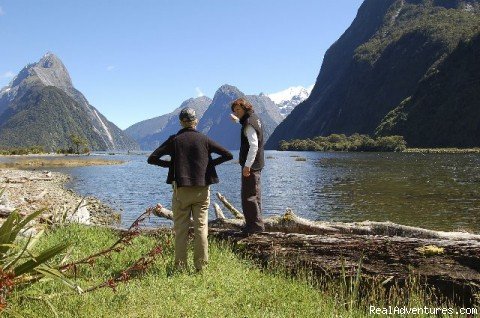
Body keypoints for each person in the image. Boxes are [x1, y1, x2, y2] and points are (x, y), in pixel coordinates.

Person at [148, 107, 233, 271]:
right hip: (202, 190)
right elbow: (228, 155)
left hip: (181, 191)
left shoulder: (174, 140)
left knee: (181, 229)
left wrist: (172, 166)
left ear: (181, 122)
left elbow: (152, 159)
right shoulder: (204, 139)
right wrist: (208, 165)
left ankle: (180, 266)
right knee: (201, 227)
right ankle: (201, 267)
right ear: (196, 121)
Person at [230, 97, 265, 234]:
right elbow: (248, 127)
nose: (236, 112)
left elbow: (254, 145)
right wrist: (238, 121)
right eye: (234, 110)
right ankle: (257, 223)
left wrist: (247, 165)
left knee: (248, 196)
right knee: (256, 195)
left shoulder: (249, 124)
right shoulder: (254, 118)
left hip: (251, 165)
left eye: (238, 109)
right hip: (258, 163)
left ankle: (253, 227)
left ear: (245, 108)